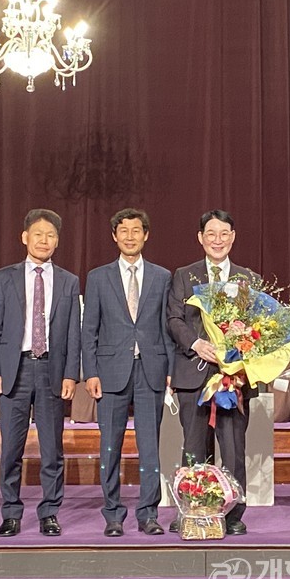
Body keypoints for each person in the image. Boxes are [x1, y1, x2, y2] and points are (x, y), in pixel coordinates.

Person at [0, 209, 81, 538]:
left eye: (50, 235)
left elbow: (72, 334)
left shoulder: (69, 280)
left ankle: (50, 511)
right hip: (16, 368)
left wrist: (71, 374)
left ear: (57, 241)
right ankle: (11, 511)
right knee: (12, 447)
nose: (44, 240)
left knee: (52, 448)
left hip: (52, 368)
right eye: (37, 234)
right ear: (24, 237)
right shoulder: (4, 277)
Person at [83, 208, 175, 537]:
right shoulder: (98, 276)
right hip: (110, 372)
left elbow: (168, 328)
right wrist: (90, 371)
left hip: (151, 369)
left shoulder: (163, 276)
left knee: (150, 446)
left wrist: (170, 370)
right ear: (114, 236)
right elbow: (89, 328)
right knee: (111, 444)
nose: (130, 236)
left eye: (136, 231)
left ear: (146, 235)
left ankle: (148, 513)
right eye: (124, 231)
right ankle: (112, 514)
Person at [167, 209, 256, 535]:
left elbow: (259, 328)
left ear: (232, 237)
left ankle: (233, 514)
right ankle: (192, 510)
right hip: (194, 372)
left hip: (233, 378)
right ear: (201, 238)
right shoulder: (184, 275)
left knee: (233, 448)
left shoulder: (247, 278)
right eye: (211, 234)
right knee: (194, 447)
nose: (217, 240)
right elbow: (174, 319)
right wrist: (196, 344)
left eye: (224, 234)